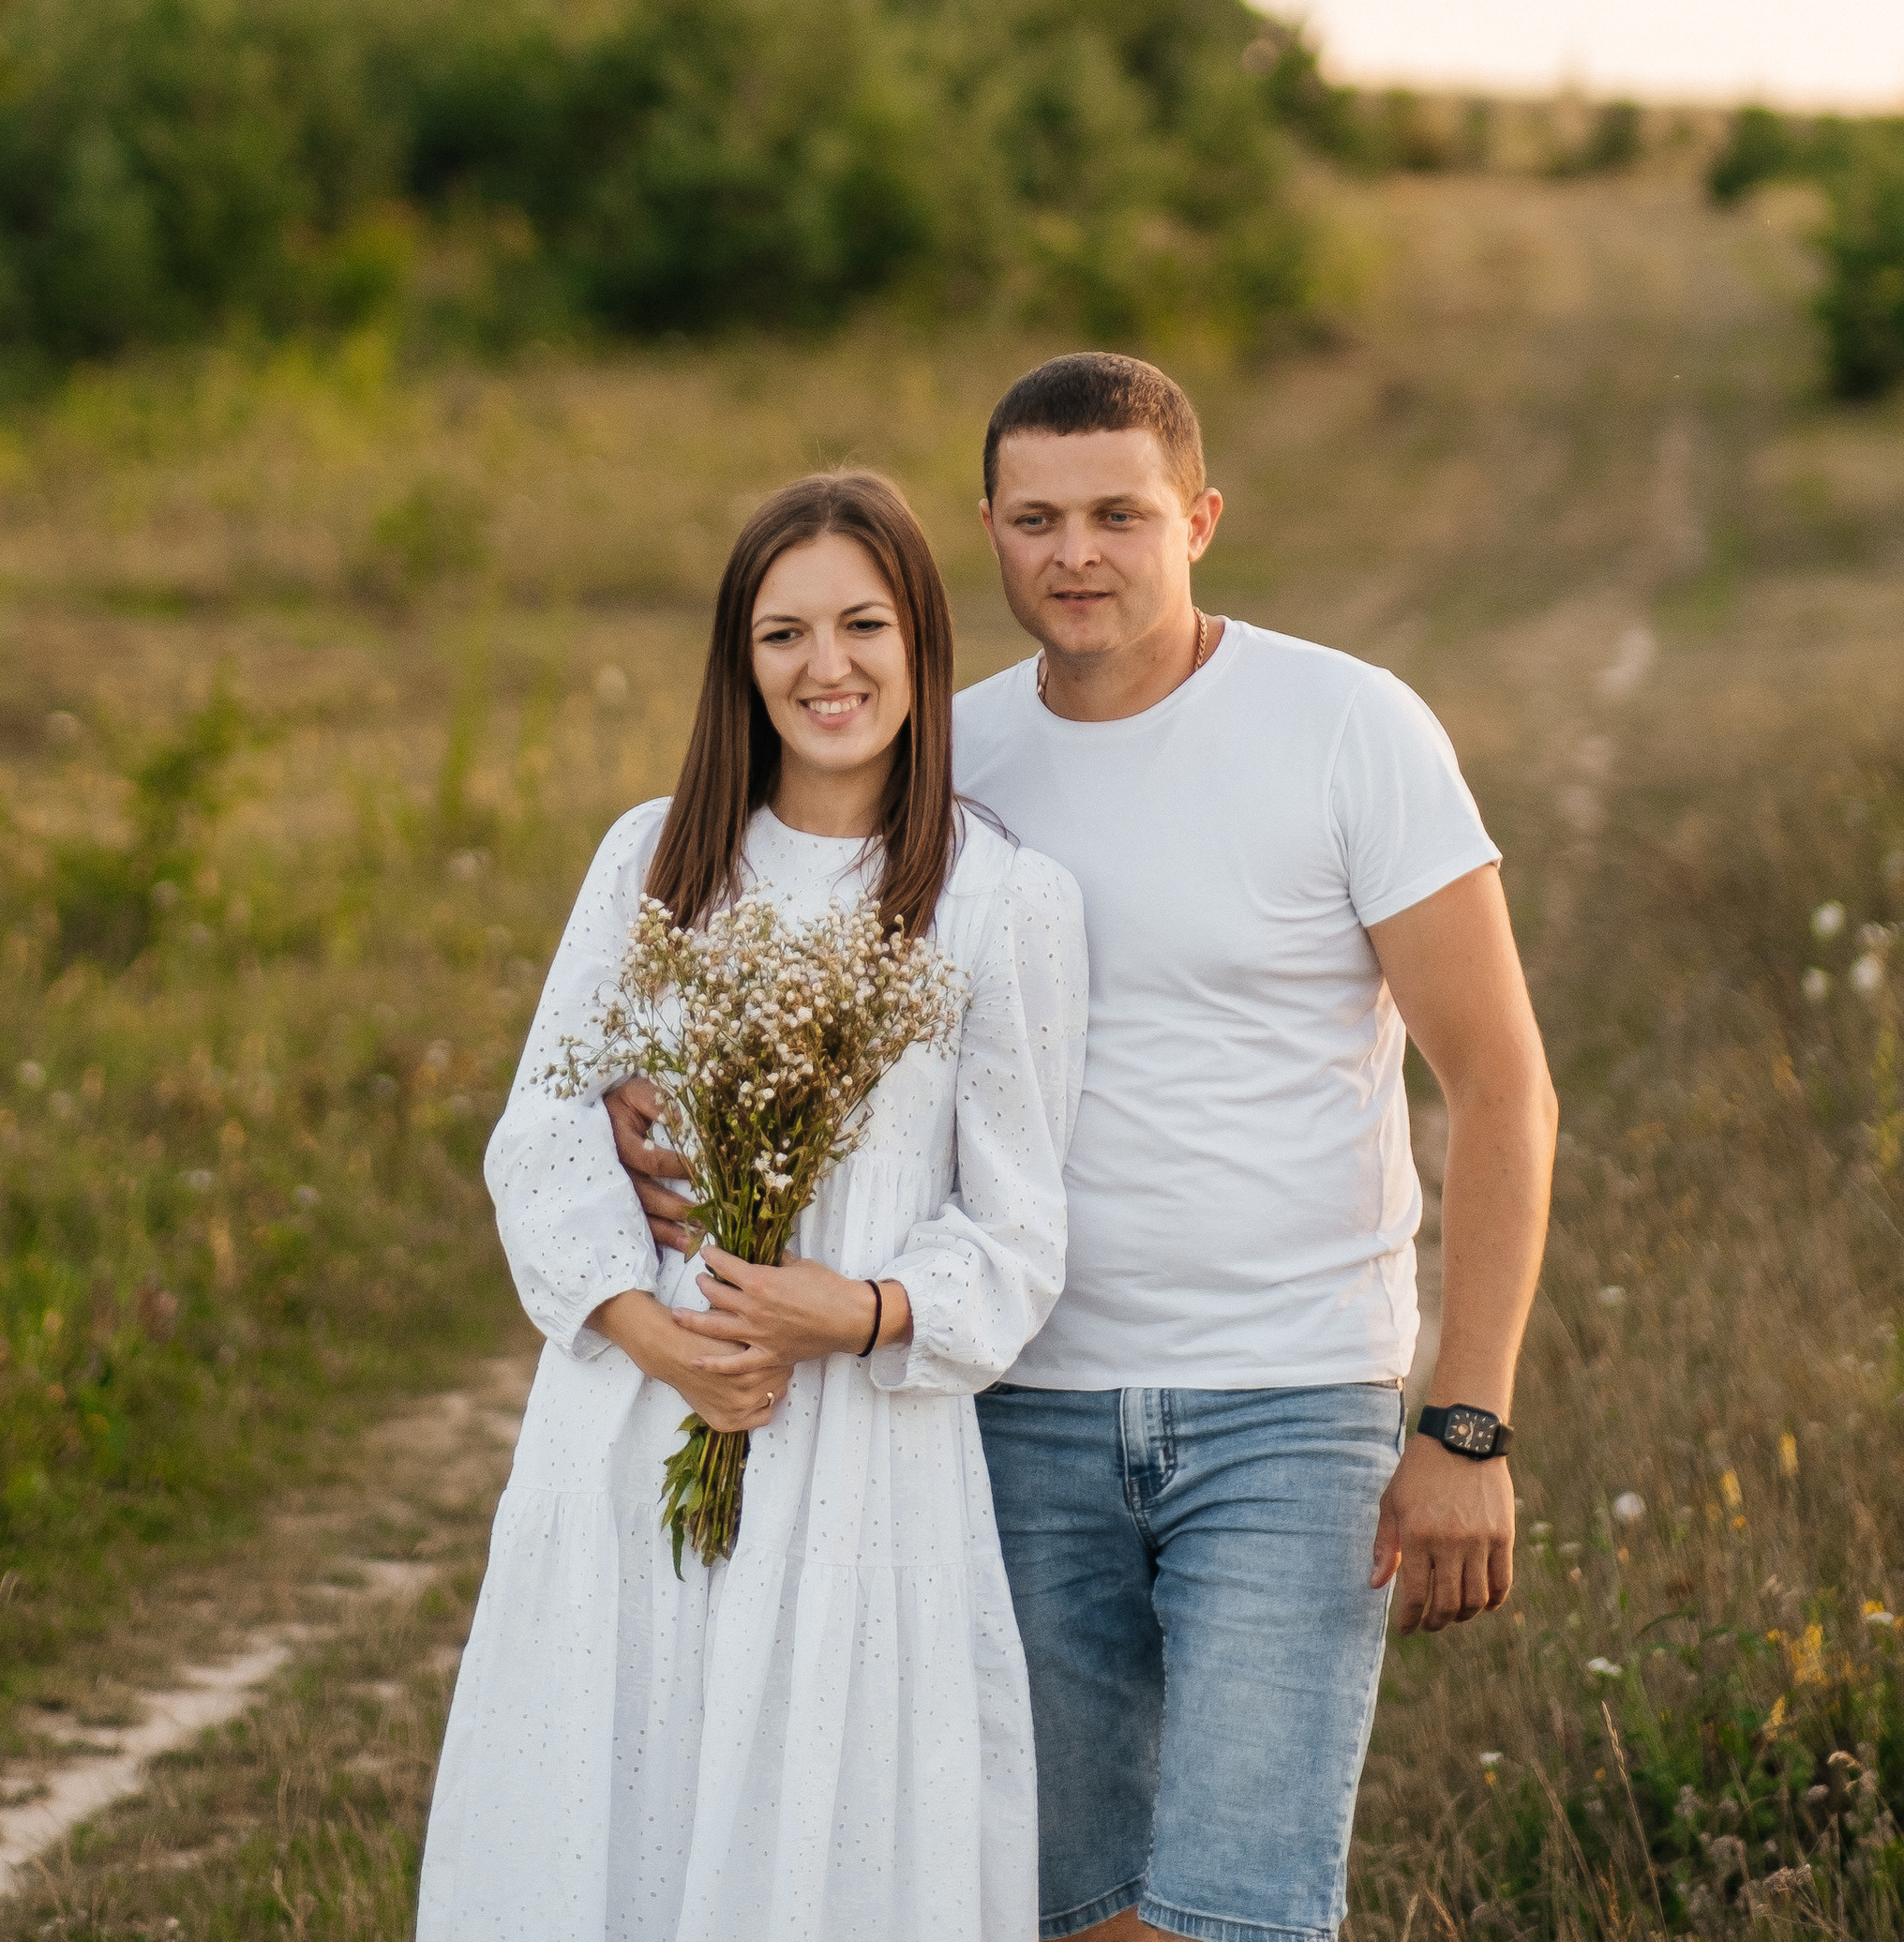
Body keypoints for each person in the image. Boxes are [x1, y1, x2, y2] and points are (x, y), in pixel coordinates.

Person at [614, 356, 1556, 1942]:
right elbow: (778, 948)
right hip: (1006, 1412)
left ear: (1197, 517)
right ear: (986, 528)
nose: (1076, 554)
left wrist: (1466, 1425)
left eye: (1119, 514)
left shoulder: (1347, 728)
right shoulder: (942, 761)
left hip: (1289, 1401)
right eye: (1037, 518)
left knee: (1239, 1906)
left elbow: (1506, 1088)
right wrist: (650, 1098)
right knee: (1057, 1902)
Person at [418, 467, 1088, 1942]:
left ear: (921, 639)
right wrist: (652, 1336)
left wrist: (850, 1312)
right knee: (622, 1797)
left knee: (820, 1831)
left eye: (860, 625)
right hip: (639, 1414)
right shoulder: (656, 858)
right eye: (782, 634)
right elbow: (541, 1127)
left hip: (857, 1450)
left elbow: (1020, 1228)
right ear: (739, 658)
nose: (824, 667)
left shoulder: (997, 899)